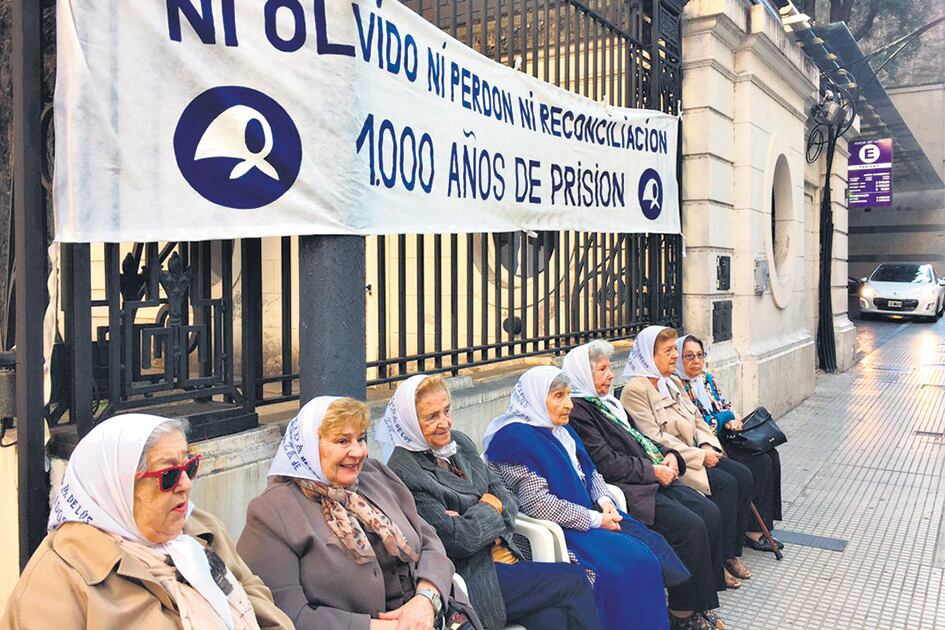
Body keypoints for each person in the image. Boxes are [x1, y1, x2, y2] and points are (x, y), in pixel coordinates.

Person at [1, 414, 292, 630]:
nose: (186, 484)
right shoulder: (61, 578)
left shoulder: (199, 529)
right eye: (168, 475)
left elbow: (254, 594)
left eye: (189, 466)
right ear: (116, 488)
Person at [378, 373, 602, 630]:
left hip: (509, 558)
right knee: (572, 578)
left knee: (554, 619)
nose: (444, 423)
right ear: (409, 422)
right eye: (432, 417)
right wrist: (487, 506)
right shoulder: (405, 471)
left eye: (447, 411)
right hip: (475, 578)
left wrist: (474, 515)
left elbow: (506, 498)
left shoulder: (459, 442)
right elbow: (458, 540)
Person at [238, 396, 481, 630]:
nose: (357, 452)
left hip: (433, 614)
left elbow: (429, 541)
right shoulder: (273, 512)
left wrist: (426, 600)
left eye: (361, 439)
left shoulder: (374, 475)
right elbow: (286, 614)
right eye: (342, 441)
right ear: (309, 446)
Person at [483, 365, 691, 630]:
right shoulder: (514, 440)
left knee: (650, 552)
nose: (569, 404)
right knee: (621, 571)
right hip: (565, 528)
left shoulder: (561, 430)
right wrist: (596, 519)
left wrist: (605, 501)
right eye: (558, 396)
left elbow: (590, 472)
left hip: (592, 515)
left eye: (569, 395)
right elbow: (538, 504)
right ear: (535, 398)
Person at [563, 341, 726, 630]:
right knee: (688, 526)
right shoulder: (578, 411)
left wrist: (669, 455)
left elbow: (641, 438)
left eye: (608, 369)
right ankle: (682, 613)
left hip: (651, 475)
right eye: (601, 370)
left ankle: (698, 603)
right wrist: (652, 471)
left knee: (708, 512)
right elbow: (606, 462)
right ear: (583, 374)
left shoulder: (607, 404)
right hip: (630, 487)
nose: (610, 375)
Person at [620, 326, 755, 589]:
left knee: (743, 474)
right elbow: (654, 437)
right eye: (668, 351)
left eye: (673, 350)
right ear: (650, 354)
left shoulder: (670, 381)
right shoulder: (635, 390)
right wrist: (698, 455)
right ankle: (719, 562)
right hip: (681, 462)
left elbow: (695, 416)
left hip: (697, 451)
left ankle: (730, 553)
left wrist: (708, 443)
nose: (674, 356)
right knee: (726, 485)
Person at [676, 334, 784, 552]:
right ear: (679, 359)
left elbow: (724, 404)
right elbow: (701, 422)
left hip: (727, 435)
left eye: (700, 355)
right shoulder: (678, 385)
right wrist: (726, 418)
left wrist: (733, 417)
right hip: (706, 443)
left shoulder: (706, 378)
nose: (696, 361)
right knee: (759, 463)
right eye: (689, 356)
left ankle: (765, 522)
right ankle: (751, 531)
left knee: (771, 455)